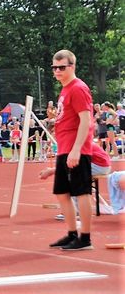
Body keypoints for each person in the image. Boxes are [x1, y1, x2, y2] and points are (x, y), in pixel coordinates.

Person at [47, 49, 94, 251]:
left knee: (81, 192)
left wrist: (76, 150)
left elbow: (86, 121)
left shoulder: (78, 88)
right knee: (62, 192)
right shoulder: (65, 89)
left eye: (61, 67)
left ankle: (85, 238)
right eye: (54, 67)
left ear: (72, 66)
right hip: (64, 148)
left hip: (77, 149)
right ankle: (72, 233)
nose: (57, 71)